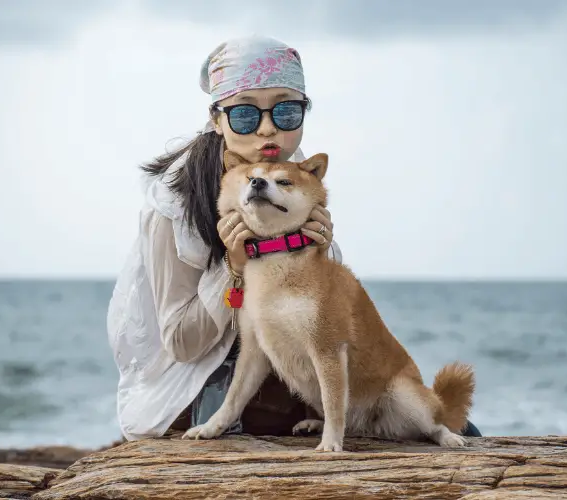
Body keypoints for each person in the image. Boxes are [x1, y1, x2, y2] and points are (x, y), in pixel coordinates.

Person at [106, 34, 481, 442]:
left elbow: (321, 317)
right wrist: (234, 266)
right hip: (195, 383)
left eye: (286, 111)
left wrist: (318, 256)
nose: (268, 130)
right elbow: (181, 344)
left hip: (289, 372)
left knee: (462, 432)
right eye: (245, 115)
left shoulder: (296, 178)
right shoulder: (173, 203)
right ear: (216, 119)